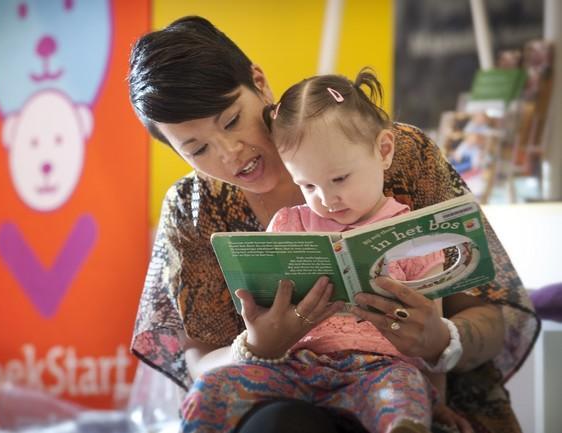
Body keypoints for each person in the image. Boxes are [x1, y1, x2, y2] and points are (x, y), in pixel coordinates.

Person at [127, 15, 539, 433]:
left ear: (259, 82)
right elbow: (202, 361)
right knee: (276, 423)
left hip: (399, 388)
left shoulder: (387, 151)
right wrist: (254, 346)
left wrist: (439, 338)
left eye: (232, 120)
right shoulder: (193, 206)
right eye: (197, 149)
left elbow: (492, 313)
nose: (231, 154)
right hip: (283, 393)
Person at [264, 70, 460, 433]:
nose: (326, 199)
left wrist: (436, 402)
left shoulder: (416, 235)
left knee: (401, 407)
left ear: (384, 150)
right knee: (212, 391)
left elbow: (431, 339)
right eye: (307, 185)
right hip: (298, 368)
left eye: (339, 179)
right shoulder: (287, 227)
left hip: (384, 371)